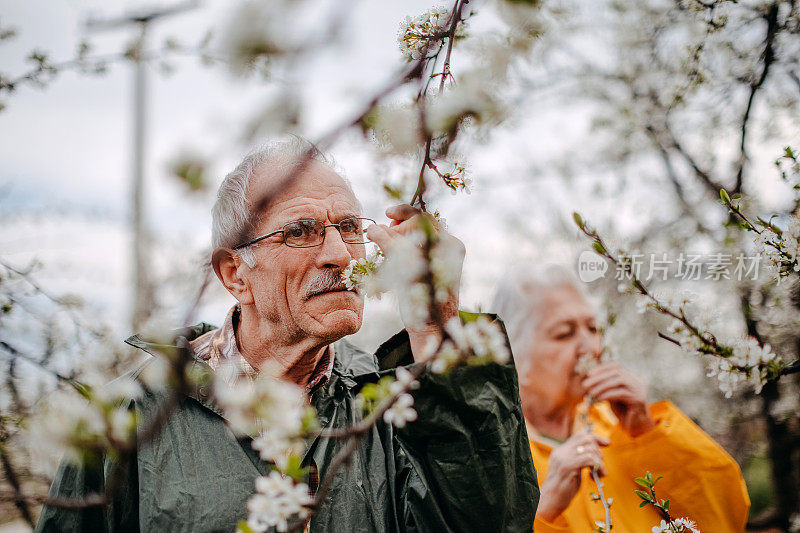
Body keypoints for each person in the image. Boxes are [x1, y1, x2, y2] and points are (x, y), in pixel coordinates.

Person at [35, 139, 539, 532]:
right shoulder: (132, 414)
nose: (341, 255)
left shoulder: (394, 402)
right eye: (300, 232)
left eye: (349, 227)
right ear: (235, 274)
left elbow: (491, 522)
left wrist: (436, 332)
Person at [492, 264, 750, 533]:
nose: (589, 348)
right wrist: (541, 512)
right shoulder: (490, 450)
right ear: (511, 350)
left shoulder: (623, 428)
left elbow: (724, 518)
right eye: (564, 333)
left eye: (592, 329)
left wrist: (647, 433)